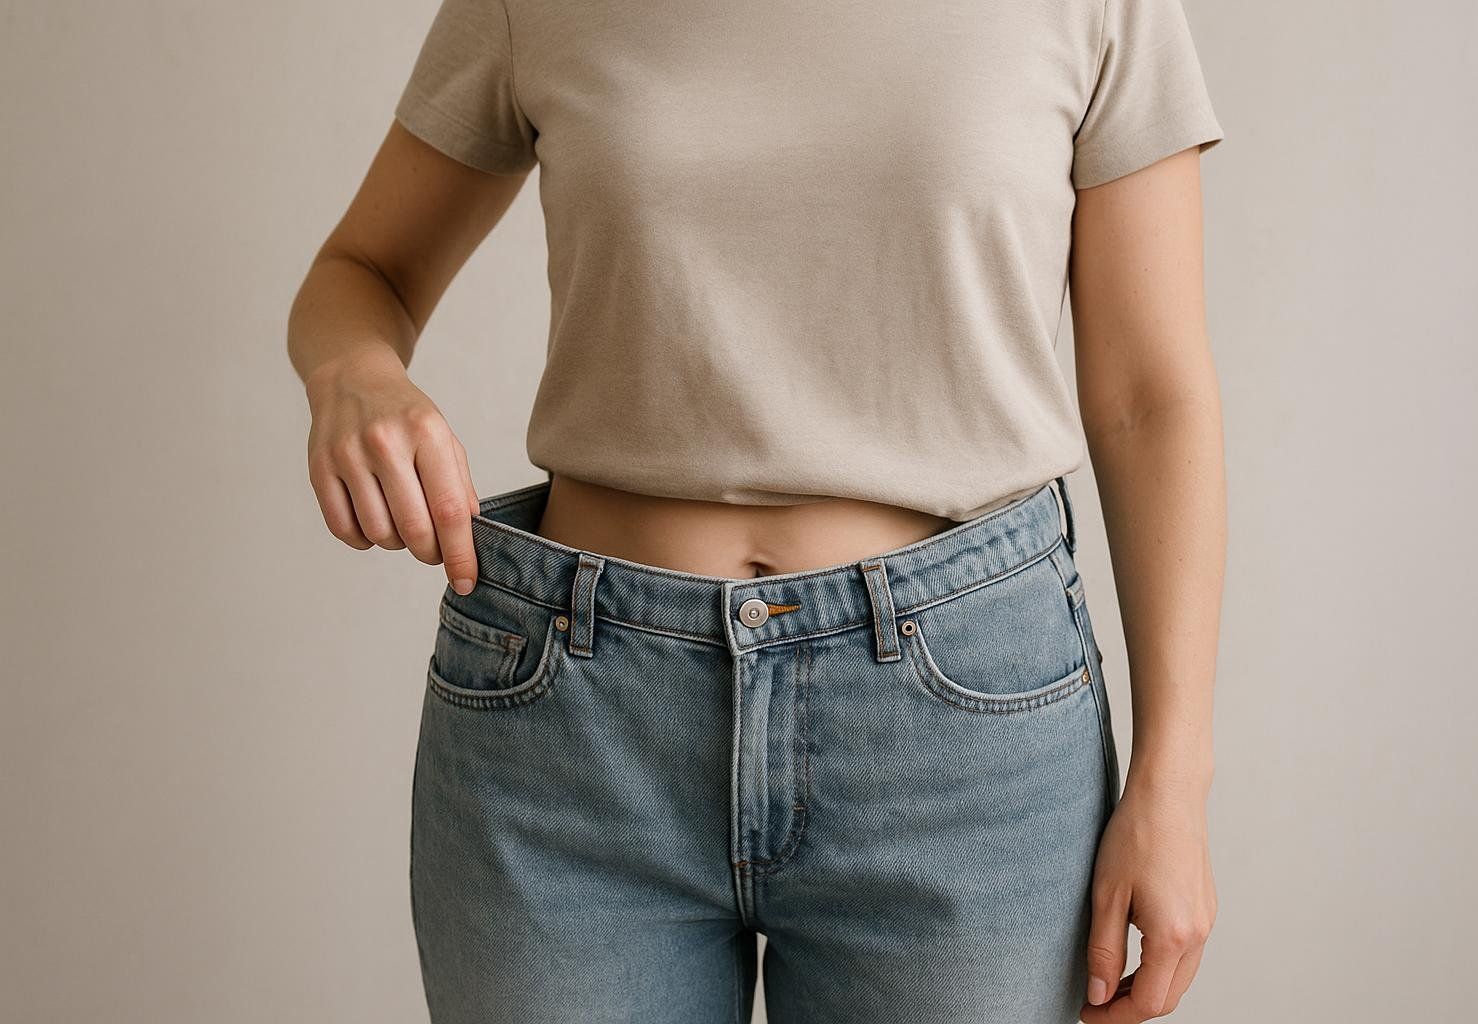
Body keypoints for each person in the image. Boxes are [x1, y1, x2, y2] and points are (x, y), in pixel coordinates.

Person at [287, 0, 1227, 1020]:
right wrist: (354, 372)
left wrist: (1173, 781)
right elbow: (363, 272)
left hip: (961, 739)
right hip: (574, 728)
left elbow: (1150, 399)